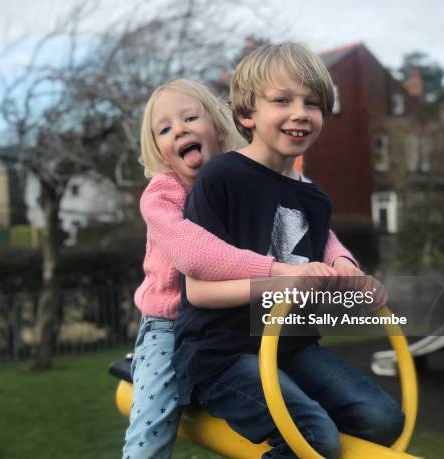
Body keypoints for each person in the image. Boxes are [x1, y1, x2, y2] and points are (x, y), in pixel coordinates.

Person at [173, 44, 405, 459]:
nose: (300, 112)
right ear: (247, 115)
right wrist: (280, 283)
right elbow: (198, 292)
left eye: (312, 103)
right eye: (282, 100)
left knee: (382, 421)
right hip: (220, 354)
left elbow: (311, 285)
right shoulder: (222, 177)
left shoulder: (315, 200)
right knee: (315, 436)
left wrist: (352, 286)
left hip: (290, 347)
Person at [123, 79, 357, 459]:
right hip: (168, 325)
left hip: (228, 322)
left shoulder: (242, 178)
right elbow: (193, 253)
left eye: (189, 117)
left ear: (217, 127)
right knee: (153, 422)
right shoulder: (163, 194)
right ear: (161, 152)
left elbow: (310, 220)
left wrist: (340, 260)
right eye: (164, 129)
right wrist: (277, 271)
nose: (178, 129)